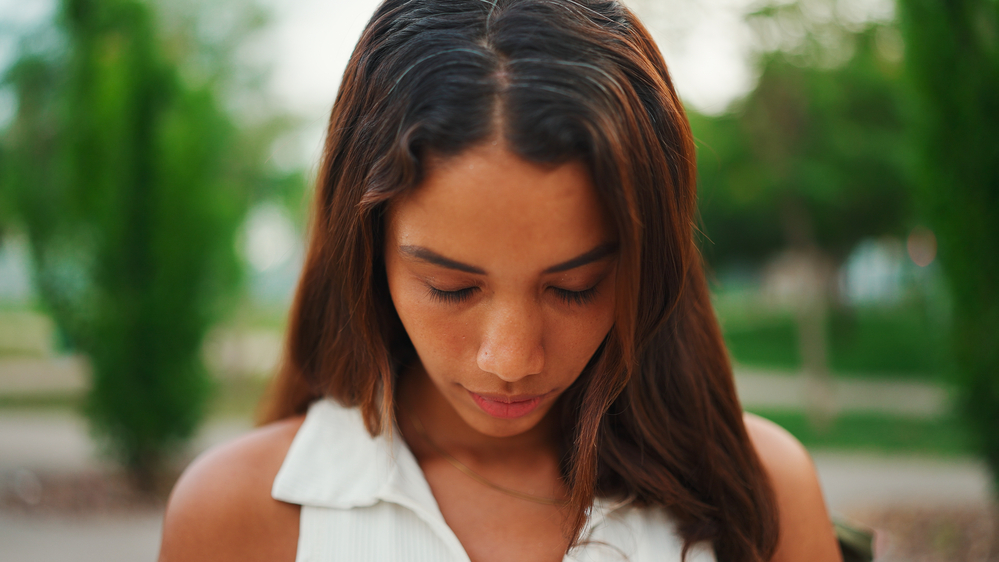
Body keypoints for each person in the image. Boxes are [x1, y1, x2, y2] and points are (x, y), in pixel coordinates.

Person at [158, 0, 842, 560]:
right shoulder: (240, 513)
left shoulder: (756, 492)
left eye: (574, 287)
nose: (511, 360)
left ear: (646, 266)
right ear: (366, 254)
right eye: (451, 289)